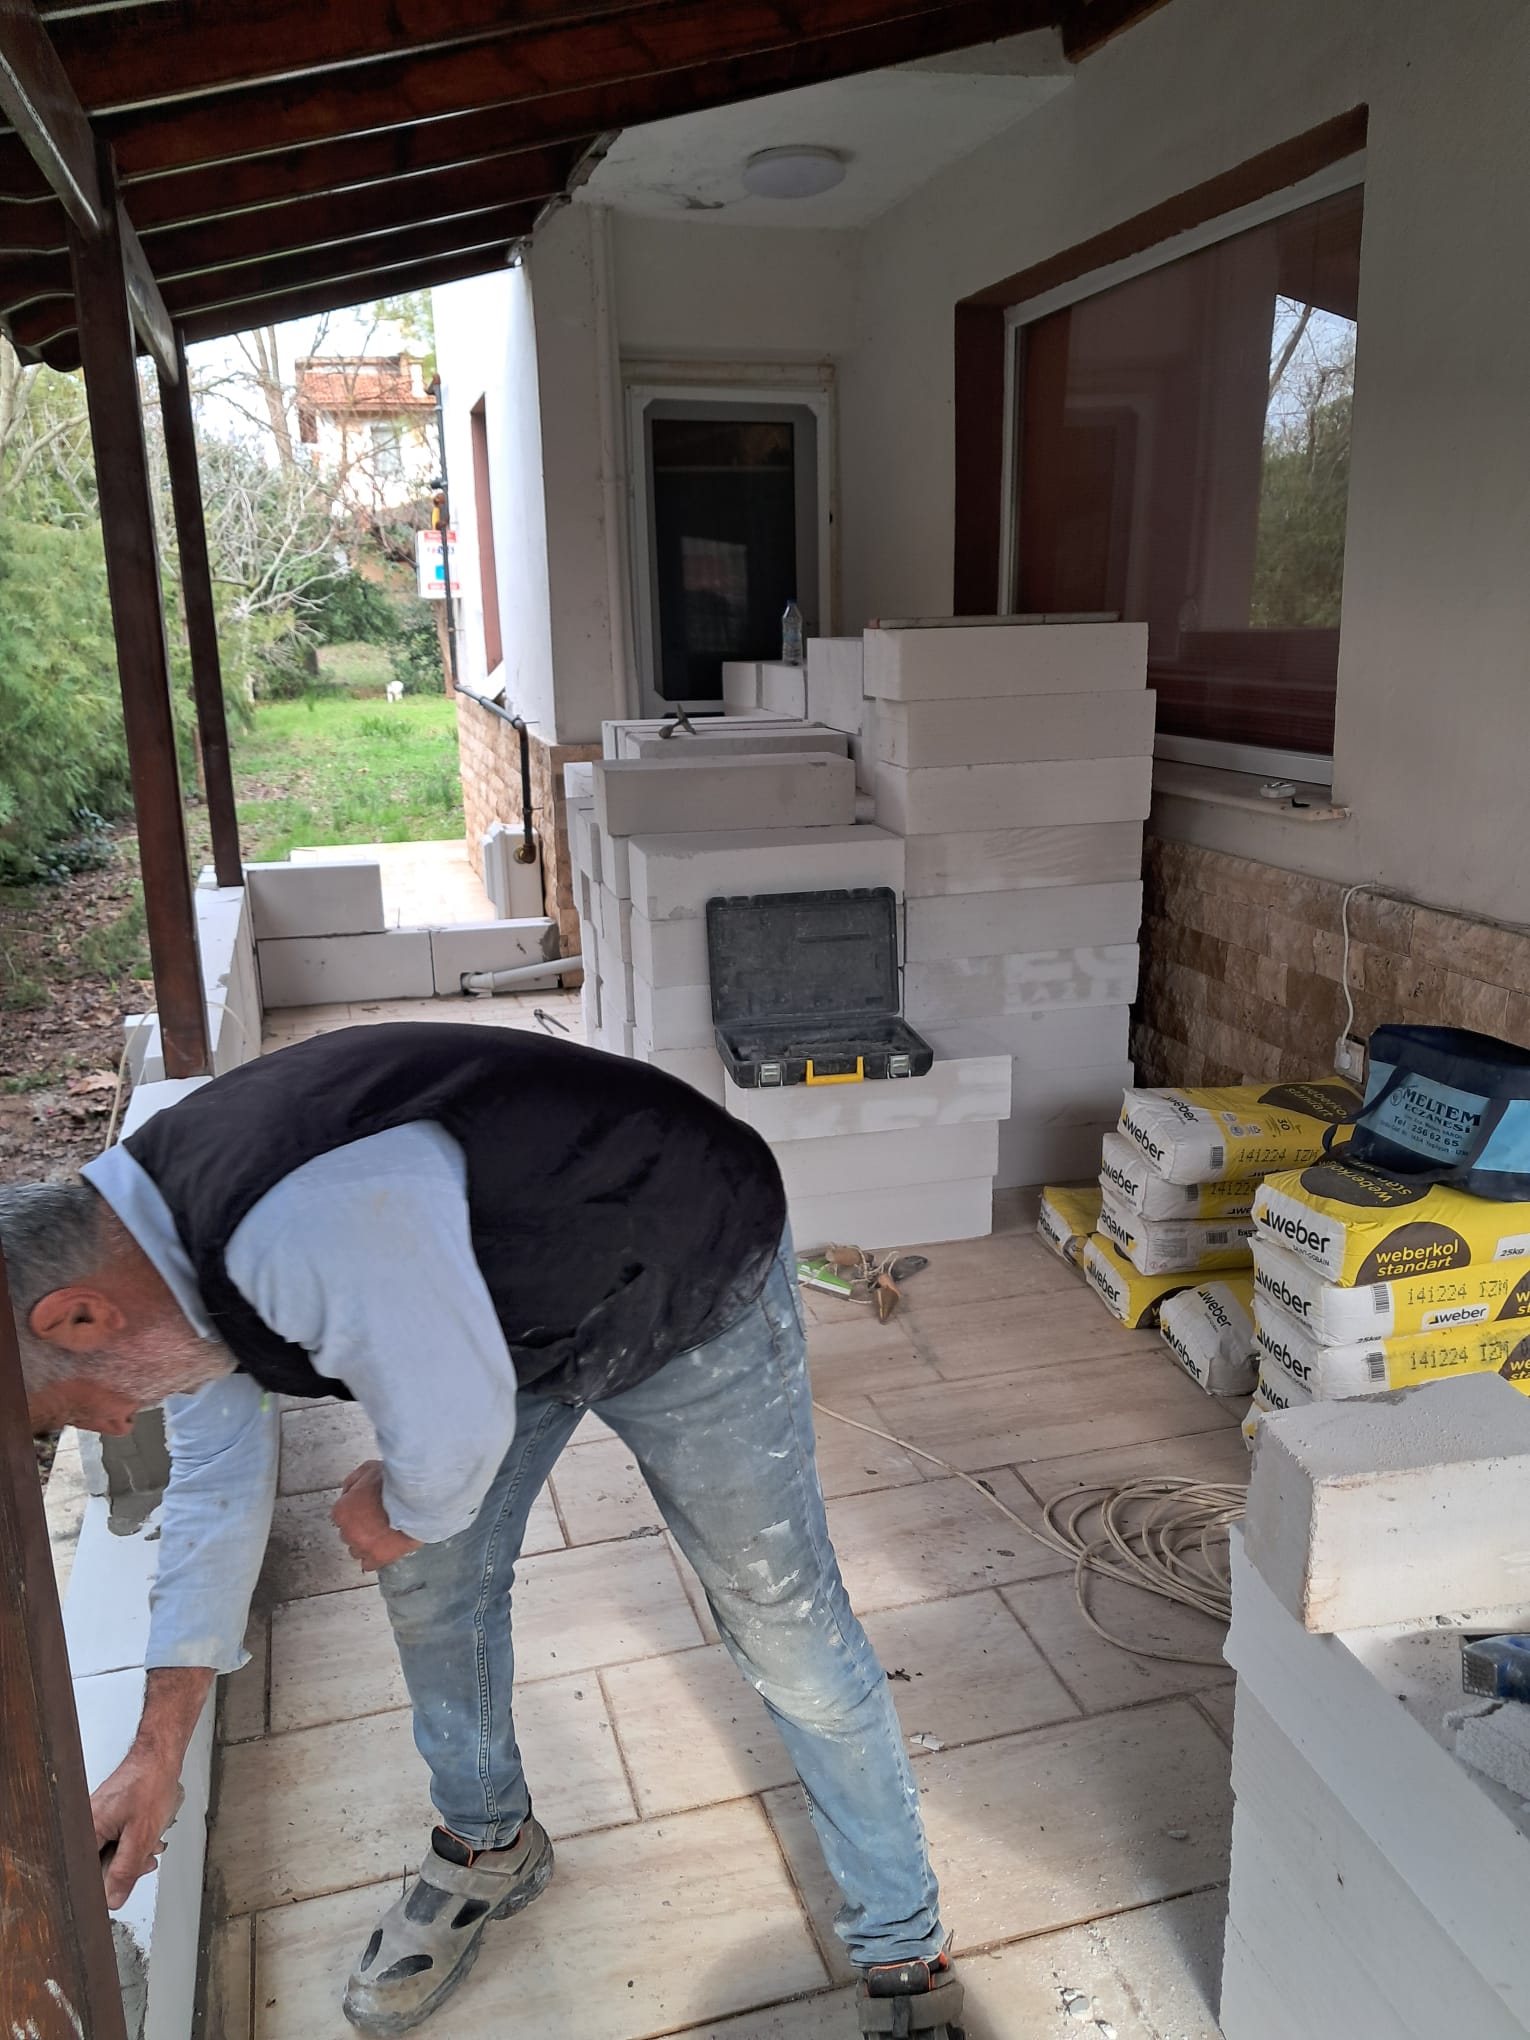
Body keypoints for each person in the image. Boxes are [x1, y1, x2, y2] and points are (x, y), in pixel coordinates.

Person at [3, 1023, 963, 2038]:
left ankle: (901, 1935)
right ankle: (489, 1843)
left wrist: (403, 1509)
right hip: (501, 1306)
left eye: (61, 1412)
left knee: (783, 1620)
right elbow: (214, 1485)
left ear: (77, 1318)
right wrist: (157, 1753)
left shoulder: (298, 1223)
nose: (108, 1429)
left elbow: (450, 1435)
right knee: (431, 1579)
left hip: (684, 1255)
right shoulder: (151, 1268)